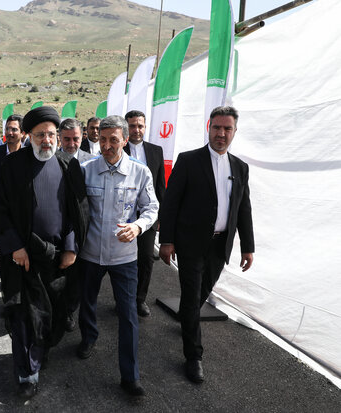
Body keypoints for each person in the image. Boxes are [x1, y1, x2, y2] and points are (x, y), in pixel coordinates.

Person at [0, 106, 88, 399]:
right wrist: (15, 247)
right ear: (28, 136)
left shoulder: (68, 166)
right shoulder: (11, 166)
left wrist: (71, 247)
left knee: (53, 315)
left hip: (58, 257)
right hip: (23, 258)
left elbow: (78, 211)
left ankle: (40, 350)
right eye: (40, 135)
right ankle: (27, 374)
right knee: (25, 317)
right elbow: (1, 212)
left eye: (51, 134)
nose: (46, 140)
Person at [159, 106, 255, 383]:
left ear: (234, 132)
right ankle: (194, 356)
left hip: (219, 246)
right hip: (190, 244)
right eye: (217, 128)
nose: (221, 134)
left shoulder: (240, 167)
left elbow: (243, 208)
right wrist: (167, 241)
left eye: (227, 129)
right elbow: (172, 202)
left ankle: (187, 320)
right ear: (208, 128)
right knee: (191, 299)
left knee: (201, 293)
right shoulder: (189, 161)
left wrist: (248, 246)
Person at [77, 115, 158, 397]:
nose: (108, 145)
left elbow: (151, 208)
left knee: (129, 315)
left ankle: (130, 375)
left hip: (124, 257)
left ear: (125, 139)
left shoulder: (141, 172)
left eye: (114, 140)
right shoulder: (85, 170)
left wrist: (137, 226)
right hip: (90, 253)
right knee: (86, 301)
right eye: (103, 139)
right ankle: (88, 337)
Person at [123, 110, 165, 317]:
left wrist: (160, 218)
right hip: (124, 216)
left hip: (147, 217)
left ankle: (139, 299)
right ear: (126, 127)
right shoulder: (118, 149)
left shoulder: (156, 151)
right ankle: (123, 298)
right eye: (132, 126)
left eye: (140, 125)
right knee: (123, 260)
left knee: (146, 258)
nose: (136, 130)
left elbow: (160, 187)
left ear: (145, 127)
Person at [57, 117, 94, 332]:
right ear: (60, 138)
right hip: (59, 226)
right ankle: (59, 311)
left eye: (76, 139)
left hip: (83, 229)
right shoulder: (51, 159)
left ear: (83, 137)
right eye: (67, 139)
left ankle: (70, 310)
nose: (71, 144)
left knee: (78, 276)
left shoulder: (91, 161)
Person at [0, 114, 23, 192]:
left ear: (22, 133)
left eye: (14, 129)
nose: (9, 133)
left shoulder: (28, 155)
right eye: (7, 129)